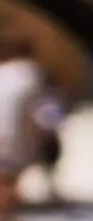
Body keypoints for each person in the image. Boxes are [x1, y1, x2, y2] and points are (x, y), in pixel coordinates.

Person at [0, 34, 46, 221]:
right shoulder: (31, 73)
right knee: (7, 179)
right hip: (19, 136)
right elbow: (38, 110)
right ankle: (4, 213)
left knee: (3, 176)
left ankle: (3, 213)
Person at [33, 75, 68, 204]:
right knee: (46, 165)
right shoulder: (42, 102)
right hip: (45, 138)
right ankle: (49, 188)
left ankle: (52, 188)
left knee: (53, 165)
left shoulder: (55, 101)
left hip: (52, 137)